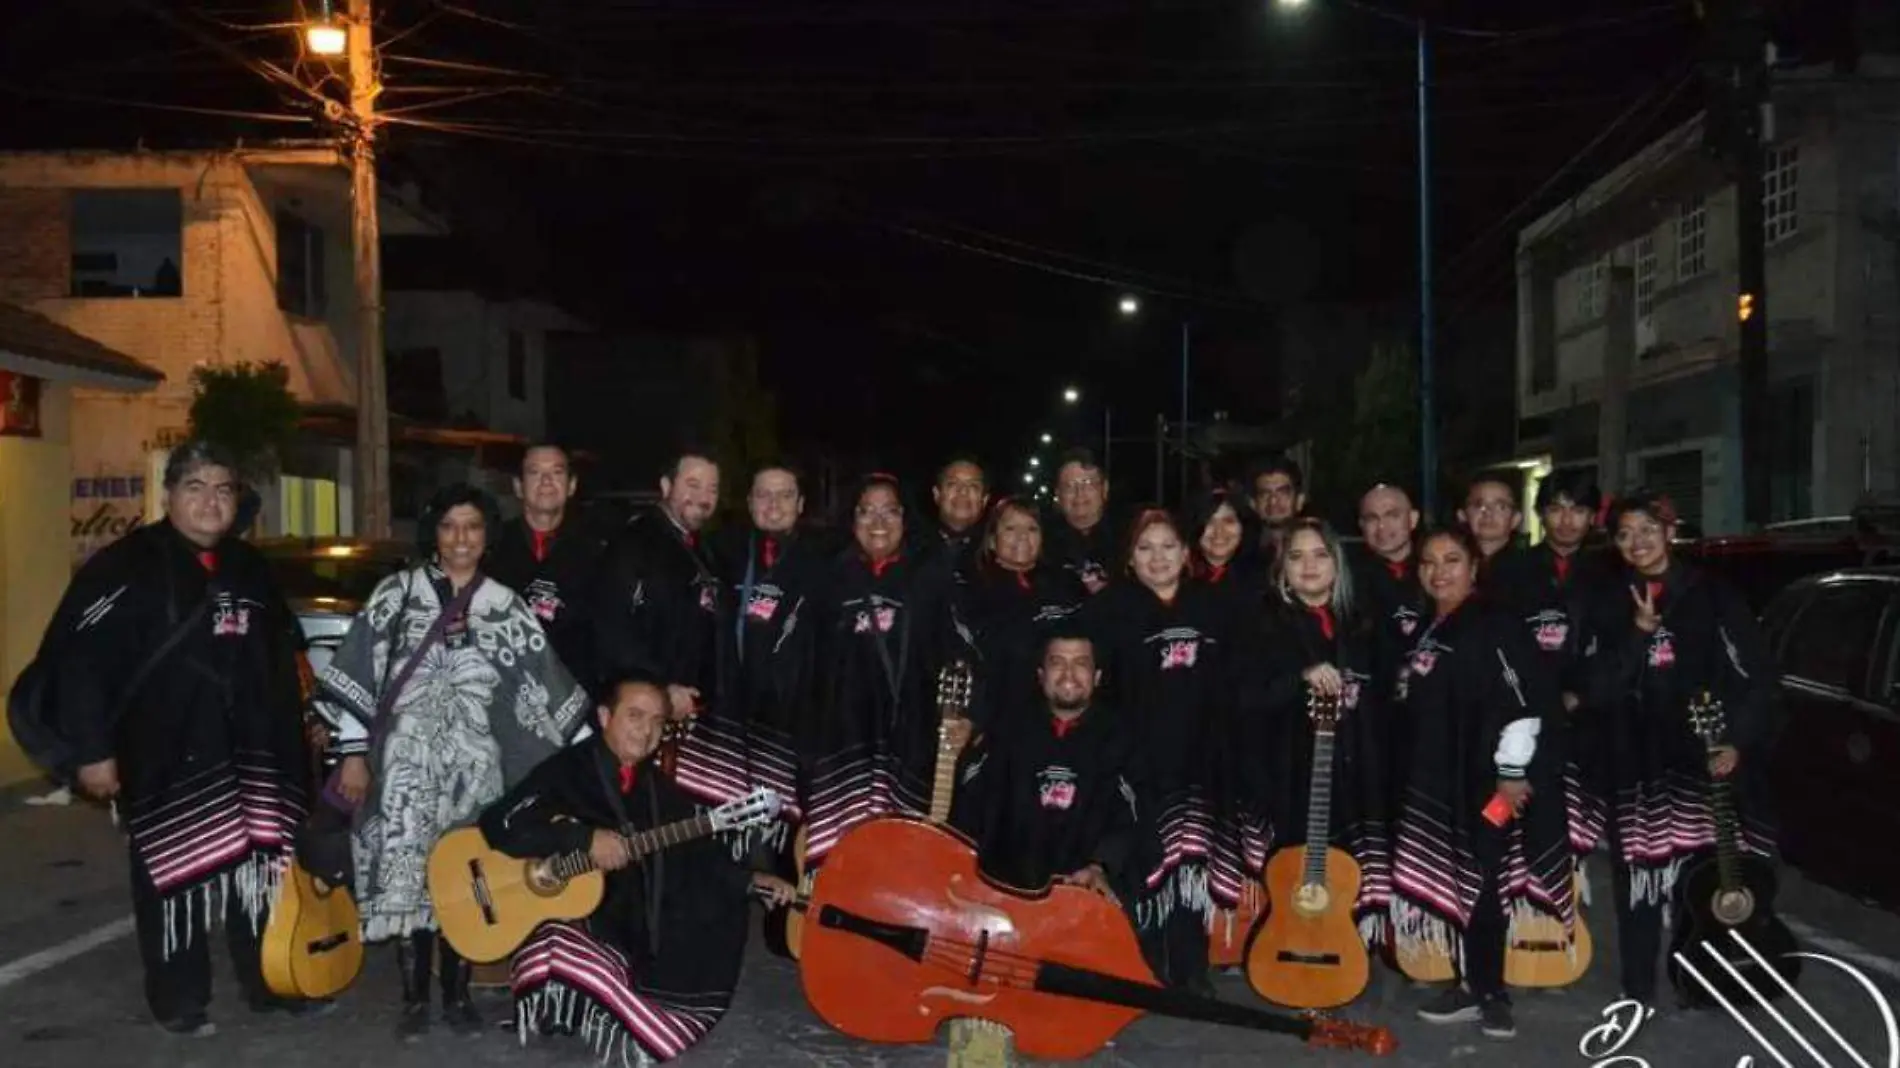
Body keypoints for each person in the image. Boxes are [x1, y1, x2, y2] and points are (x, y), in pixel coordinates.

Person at [37, 440, 315, 1036]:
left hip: (253, 754)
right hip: (166, 753)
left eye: (223, 489)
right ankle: (180, 999)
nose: (211, 502)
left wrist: (300, 736)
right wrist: (91, 752)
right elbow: (79, 661)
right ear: (169, 495)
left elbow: (281, 652)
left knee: (263, 874)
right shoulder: (123, 565)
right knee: (174, 875)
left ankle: (272, 980)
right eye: (196, 487)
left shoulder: (250, 566)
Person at [316, 483, 589, 1039]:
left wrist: (592, 750)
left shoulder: (504, 605)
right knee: (410, 874)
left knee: (466, 876)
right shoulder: (396, 595)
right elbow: (358, 677)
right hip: (404, 770)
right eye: (449, 526)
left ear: (487, 536)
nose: (460, 538)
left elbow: (544, 683)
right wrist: (351, 755)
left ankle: (457, 993)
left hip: (476, 771)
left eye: (472, 527)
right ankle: (415, 999)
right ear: (433, 534)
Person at [482, 676, 795, 1064]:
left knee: (716, 905)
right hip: (564, 921)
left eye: (658, 721)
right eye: (634, 715)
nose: (646, 730)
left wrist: (750, 879)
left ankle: (647, 999)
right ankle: (572, 992)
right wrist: (581, 838)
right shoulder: (568, 770)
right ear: (603, 717)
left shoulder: (653, 785)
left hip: (623, 918)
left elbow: (696, 849)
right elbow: (498, 823)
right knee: (563, 942)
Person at [1578, 491, 1782, 1009]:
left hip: (1706, 756)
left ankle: (1707, 979)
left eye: (1648, 528)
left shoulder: (1712, 594)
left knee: (1708, 875)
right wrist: (1639, 634)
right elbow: (1597, 687)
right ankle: (1638, 989)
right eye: (1624, 533)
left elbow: (1758, 677)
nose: (1637, 541)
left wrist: (1736, 739)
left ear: (1670, 531)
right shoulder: (1606, 599)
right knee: (1641, 882)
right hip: (1637, 759)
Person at [1395, 528, 1573, 1041]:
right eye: (1428, 561)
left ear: (1475, 567)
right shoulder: (1434, 625)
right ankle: (1471, 982)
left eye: (1452, 559)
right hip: (1441, 776)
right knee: (1462, 879)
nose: (1439, 570)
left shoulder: (1493, 622)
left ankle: (1492, 995)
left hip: (1487, 780)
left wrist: (1512, 771)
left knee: (1485, 881)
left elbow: (1525, 701)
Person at [1081, 507, 1236, 993]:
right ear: (1130, 558)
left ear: (1186, 553)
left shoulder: (1211, 605)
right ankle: (1141, 966)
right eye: (1145, 548)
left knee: (1190, 862)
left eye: (1168, 546)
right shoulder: (1109, 609)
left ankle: (1192, 968)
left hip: (1198, 760)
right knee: (1140, 857)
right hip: (1135, 761)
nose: (1158, 557)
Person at [800, 474, 977, 866]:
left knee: (902, 864)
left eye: (890, 511)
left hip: (909, 745)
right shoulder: (829, 577)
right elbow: (807, 664)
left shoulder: (930, 576)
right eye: (867, 511)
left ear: (905, 518)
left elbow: (961, 652)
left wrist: (966, 716)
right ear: (852, 519)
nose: (878, 522)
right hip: (841, 745)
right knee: (842, 863)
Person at [1239, 519, 1392, 948]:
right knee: (1294, 869)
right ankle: (1288, 941)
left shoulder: (1363, 622)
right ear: (1280, 568)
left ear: (1337, 564)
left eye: (1320, 554)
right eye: (1296, 556)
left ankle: (1348, 943)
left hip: (1358, 767)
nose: (1309, 566)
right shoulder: (1262, 622)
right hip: (1286, 773)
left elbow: (1388, 695)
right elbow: (1243, 696)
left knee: (1351, 868)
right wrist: (1298, 676)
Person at [952, 630, 1142, 907]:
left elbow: (1135, 816)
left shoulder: (1121, 740)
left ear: (1097, 677)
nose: (1068, 674)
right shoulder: (1006, 732)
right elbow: (970, 806)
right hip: (1004, 898)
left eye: (1080, 663)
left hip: (1079, 899)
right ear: (1040, 676)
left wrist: (1100, 866)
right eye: (1057, 663)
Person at [595, 448, 728, 726]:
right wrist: (661, 686)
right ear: (666, 486)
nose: (704, 498)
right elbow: (612, 628)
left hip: (696, 714)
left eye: (712, 489)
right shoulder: (634, 543)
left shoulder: (707, 550)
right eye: (692, 485)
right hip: (646, 714)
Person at [487, 443, 609, 699]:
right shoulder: (489, 546)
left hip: (575, 696)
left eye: (556, 472)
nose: (546, 481)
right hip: (503, 695)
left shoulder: (600, 551)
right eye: (534, 472)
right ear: (518, 486)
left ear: (572, 485)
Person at [958, 496, 1086, 731]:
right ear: (993, 539)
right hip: (998, 723)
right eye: (1010, 528)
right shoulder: (972, 591)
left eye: (1031, 528)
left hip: (1066, 721)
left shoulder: (1066, 585)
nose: (1022, 536)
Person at [1045, 449, 1118, 596]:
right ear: (1058, 495)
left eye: (1087, 483)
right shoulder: (1043, 544)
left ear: (1104, 489)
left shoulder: (1131, 539)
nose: (1079, 493)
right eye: (1069, 486)